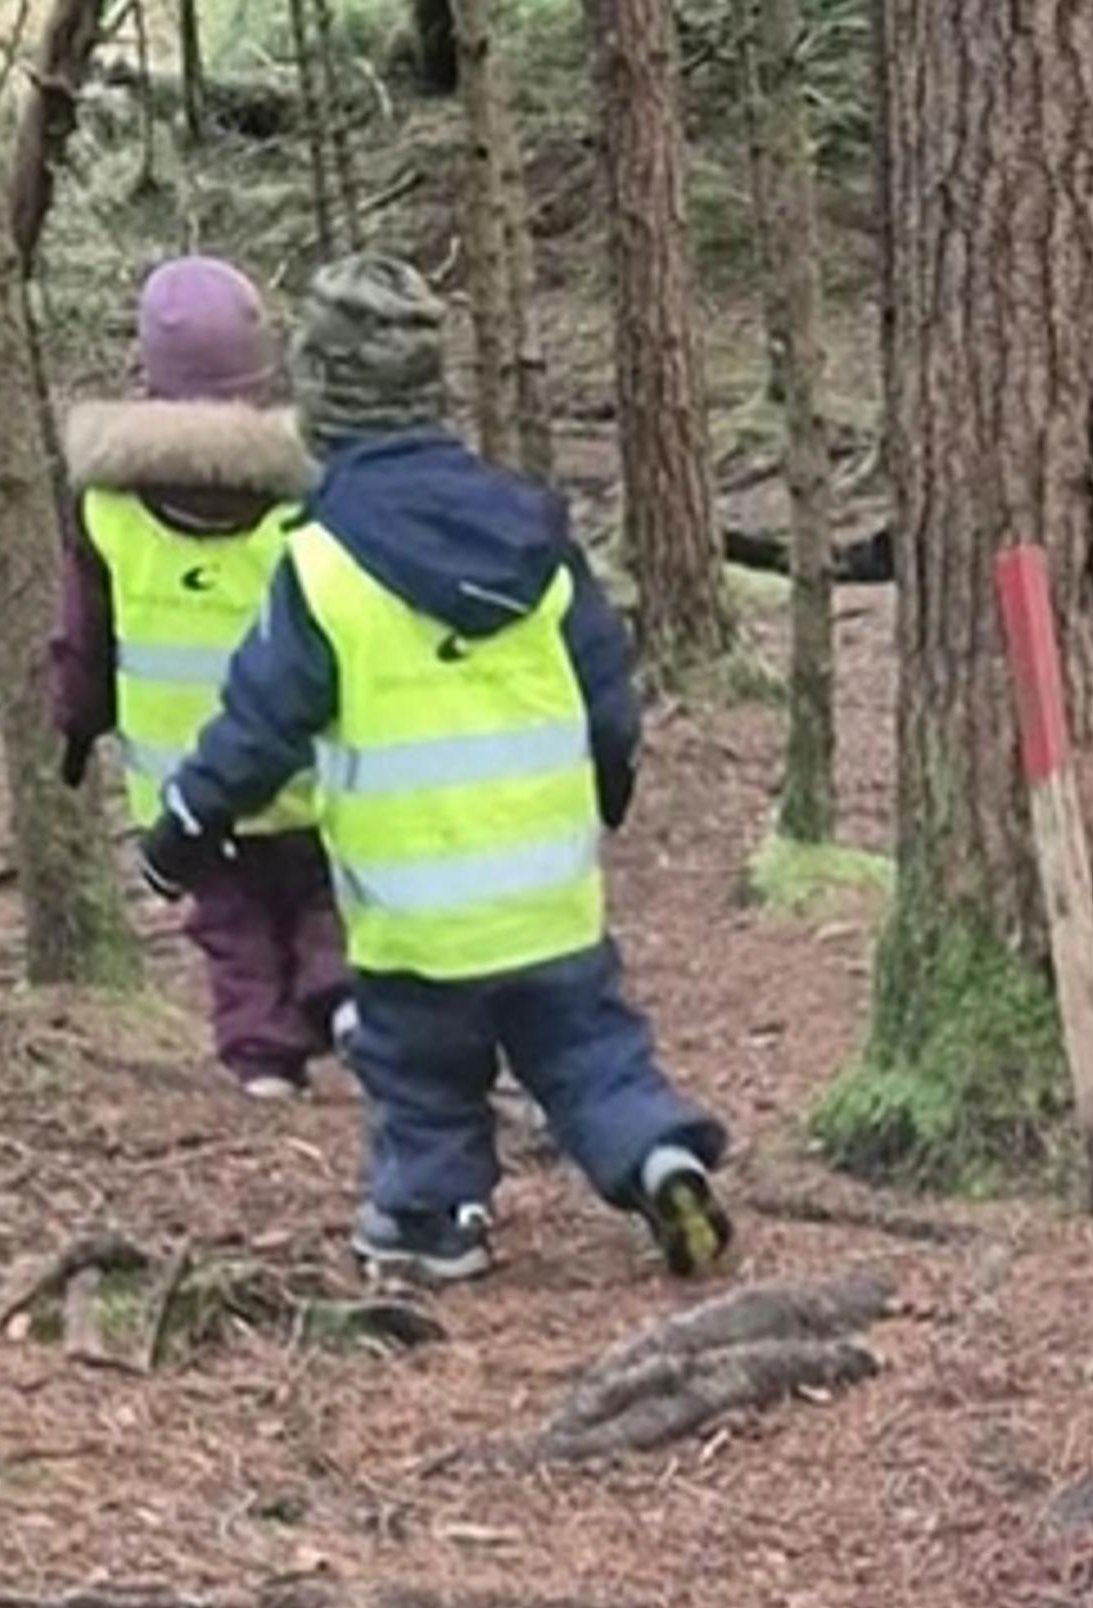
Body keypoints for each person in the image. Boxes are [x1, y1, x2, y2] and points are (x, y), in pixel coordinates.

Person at [137, 252, 730, 1290]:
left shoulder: (320, 561)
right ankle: (656, 1155)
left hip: (415, 914)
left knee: (423, 1079)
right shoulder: (534, 532)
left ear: (321, 395)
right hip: (549, 890)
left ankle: (432, 1220)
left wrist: (183, 823)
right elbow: (604, 682)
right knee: (586, 1046)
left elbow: (258, 724)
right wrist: (610, 781)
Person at [50, 256, 348, 1101]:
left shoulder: (105, 504)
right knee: (328, 892)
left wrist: (76, 723)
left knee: (230, 921)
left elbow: (84, 637)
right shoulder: (312, 494)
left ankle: (262, 1064)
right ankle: (344, 1003)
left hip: (183, 784)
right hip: (306, 761)